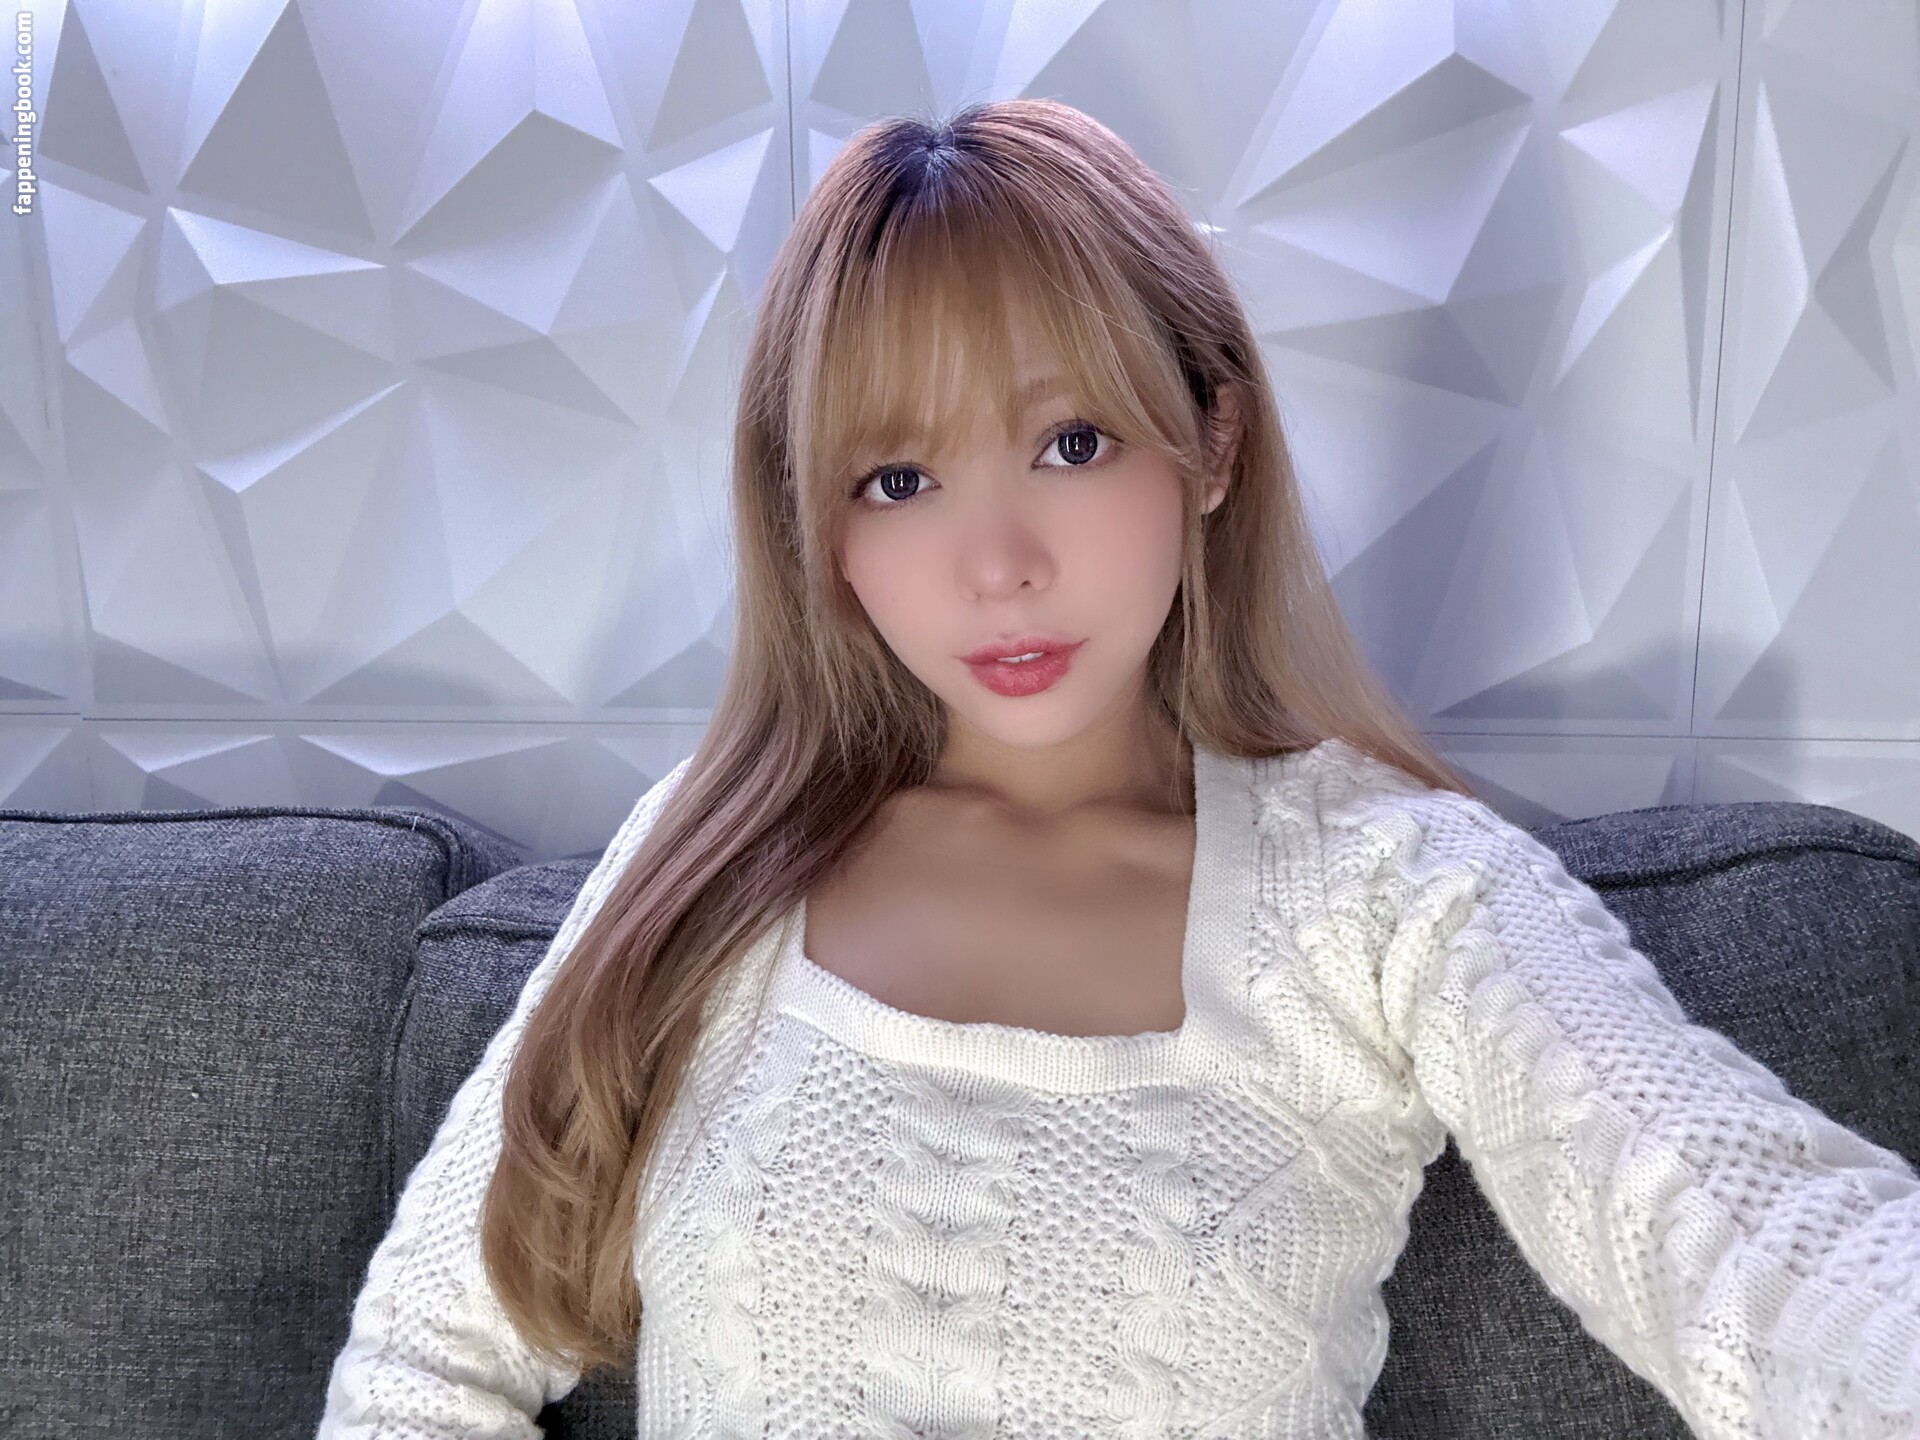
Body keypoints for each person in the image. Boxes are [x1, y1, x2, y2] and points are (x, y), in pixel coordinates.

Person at [316, 98, 1919, 1439]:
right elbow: (423, 1371)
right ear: (816, 523)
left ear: (1211, 440)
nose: (998, 565)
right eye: (898, 478)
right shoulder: (712, 859)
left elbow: (1751, 1243)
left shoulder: (1392, 891)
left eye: (1071, 444)